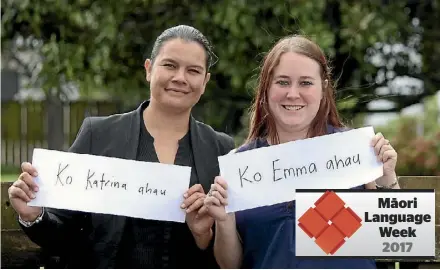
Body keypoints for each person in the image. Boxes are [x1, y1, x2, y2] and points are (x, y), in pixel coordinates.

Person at [8, 25, 235, 269]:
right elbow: (62, 230)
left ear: (205, 81)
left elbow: (230, 255)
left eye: (193, 70)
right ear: (149, 69)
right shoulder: (99, 135)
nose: (180, 77)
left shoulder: (221, 149)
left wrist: (203, 236)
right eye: (169, 65)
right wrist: (33, 216)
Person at [202, 35, 400, 269]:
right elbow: (230, 266)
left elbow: (396, 238)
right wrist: (223, 220)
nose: (293, 94)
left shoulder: (357, 152)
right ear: (266, 87)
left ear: (323, 88)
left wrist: (387, 178)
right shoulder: (240, 166)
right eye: (283, 82)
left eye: (305, 82)